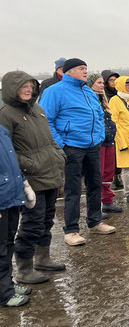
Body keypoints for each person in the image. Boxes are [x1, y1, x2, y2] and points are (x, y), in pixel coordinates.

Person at [40, 58, 116, 246]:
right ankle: (72, 230)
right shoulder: (54, 91)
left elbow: (98, 114)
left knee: (95, 184)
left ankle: (95, 221)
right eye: (81, 69)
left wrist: (98, 137)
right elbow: (46, 120)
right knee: (73, 189)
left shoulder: (88, 91)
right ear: (69, 71)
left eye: (86, 68)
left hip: (92, 145)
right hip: (71, 147)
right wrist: (62, 144)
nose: (85, 72)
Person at [0, 71, 66, 285]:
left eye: (30, 86)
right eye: (23, 86)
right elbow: (5, 150)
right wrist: (29, 165)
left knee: (47, 219)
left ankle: (43, 258)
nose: (28, 90)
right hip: (31, 177)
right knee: (32, 222)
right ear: (12, 89)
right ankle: (24, 268)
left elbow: (49, 139)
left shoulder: (37, 110)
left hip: (50, 172)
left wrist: (59, 155)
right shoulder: (6, 114)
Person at [0, 125, 34, 307]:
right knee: (0, 249)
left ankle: (8, 284)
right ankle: (4, 294)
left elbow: (12, 164)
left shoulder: (2, 131)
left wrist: (24, 184)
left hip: (10, 196)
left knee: (8, 242)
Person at [87, 74, 123, 215]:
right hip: (98, 142)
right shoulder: (90, 99)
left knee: (108, 172)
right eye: (99, 83)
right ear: (91, 85)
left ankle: (107, 202)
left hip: (109, 140)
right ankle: (96, 207)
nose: (102, 85)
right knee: (97, 174)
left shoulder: (103, 99)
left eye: (103, 82)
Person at [101, 70, 123, 190]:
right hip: (109, 129)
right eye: (111, 80)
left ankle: (118, 176)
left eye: (115, 80)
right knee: (111, 156)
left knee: (119, 154)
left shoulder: (120, 94)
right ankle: (112, 179)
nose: (114, 82)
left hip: (120, 127)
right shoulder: (105, 96)